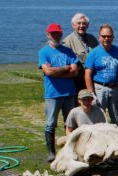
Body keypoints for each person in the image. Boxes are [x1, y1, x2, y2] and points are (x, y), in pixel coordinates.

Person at [38, 23, 78, 162]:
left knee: (70, 123)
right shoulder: (43, 52)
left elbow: (74, 71)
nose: (56, 35)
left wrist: (56, 71)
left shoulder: (68, 51)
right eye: (53, 33)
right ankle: (51, 152)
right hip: (52, 94)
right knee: (50, 123)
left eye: (58, 33)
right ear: (48, 34)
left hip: (69, 93)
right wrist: (65, 68)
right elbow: (47, 71)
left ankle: (70, 148)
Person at [85, 24, 118, 125]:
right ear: (99, 37)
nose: (106, 39)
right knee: (98, 117)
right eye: (103, 36)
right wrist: (91, 93)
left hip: (115, 88)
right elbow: (88, 74)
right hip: (99, 88)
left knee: (117, 118)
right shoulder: (93, 53)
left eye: (109, 36)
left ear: (113, 37)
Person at [62, 13, 98, 94]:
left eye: (84, 23)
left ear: (87, 25)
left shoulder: (92, 39)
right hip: (77, 83)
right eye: (79, 23)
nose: (81, 26)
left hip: (93, 79)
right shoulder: (67, 42)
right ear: (73, 25)